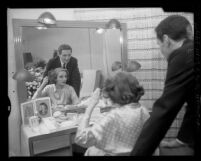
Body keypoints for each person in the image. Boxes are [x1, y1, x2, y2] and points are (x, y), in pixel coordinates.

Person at [130, 15, 195, 156]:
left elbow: (164, 110)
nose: (161, 51)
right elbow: (194, 106)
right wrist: (181, 140)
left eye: (159, 45)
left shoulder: (182, 55)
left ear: (166, 40)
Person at [74, 72, 151, 156]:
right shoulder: (144, 111)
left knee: (92, 150)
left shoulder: (114, 116)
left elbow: (81, 138)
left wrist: (91, 105)